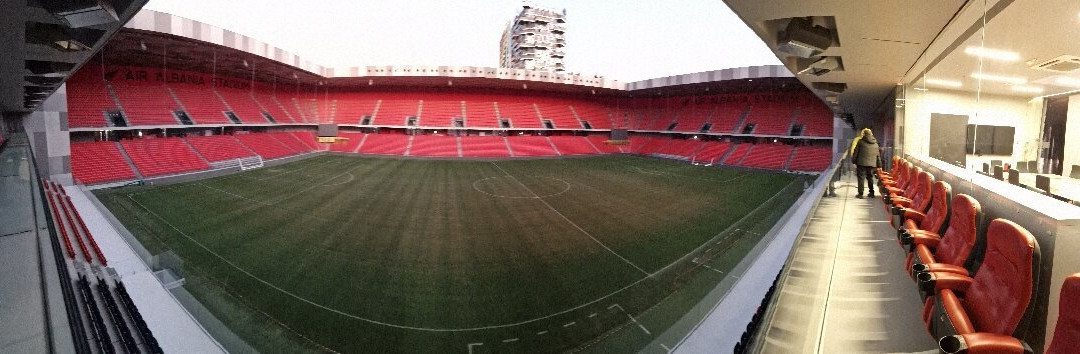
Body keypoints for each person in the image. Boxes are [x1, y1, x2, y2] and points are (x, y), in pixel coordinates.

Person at [851, 128, 881, 198]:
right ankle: (871, 192)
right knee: (870, 177)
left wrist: (853, 161)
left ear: (864, 134)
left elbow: (856, 152)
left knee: (861, 178)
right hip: (872, 164)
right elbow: (878, 155)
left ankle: (860, 194)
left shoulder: (860, 142)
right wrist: (879, 165)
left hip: (861, 163)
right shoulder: (875, 143)